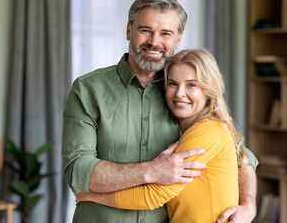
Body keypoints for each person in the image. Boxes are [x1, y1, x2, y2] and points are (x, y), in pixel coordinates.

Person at [62, 0, 258, 223]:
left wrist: (249, 203)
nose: (154, 42)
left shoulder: (184, 97)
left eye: (165, 33)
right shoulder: (88, 89)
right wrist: (151, 170)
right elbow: (78, 170)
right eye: (145, 30)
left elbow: (240, 156)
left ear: (178, 38)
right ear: (128, 30)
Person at [74, 48, 248, 223]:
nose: (179, 93)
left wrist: (90, 196)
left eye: (191, 84)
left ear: (208, 91)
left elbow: (153, 195)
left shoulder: (208, 131)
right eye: (172, 83)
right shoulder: (186, 129)